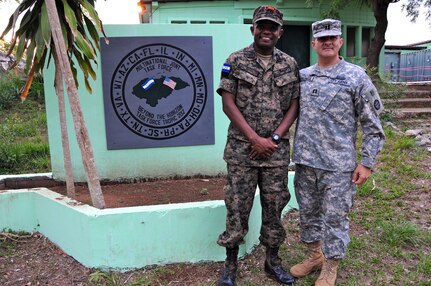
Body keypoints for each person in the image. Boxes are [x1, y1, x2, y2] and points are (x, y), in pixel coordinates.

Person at [290, 19, 385, 286]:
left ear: (341, 41)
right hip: (306, 163)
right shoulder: (304, 77)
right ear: (314, 44)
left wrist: (366, 163)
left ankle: (330, 266)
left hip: (338, 166)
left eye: (333, 37)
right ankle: (314, 256)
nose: (328, 42)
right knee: (308, 214)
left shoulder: (356, 77)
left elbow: (373, 125)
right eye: (322, 38)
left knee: (334, 218)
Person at [216, 5, 299, 286]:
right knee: (237, 206)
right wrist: (254, 138)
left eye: (272, 27)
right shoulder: (235, 61)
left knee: (275, 205)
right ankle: (230, 264)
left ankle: (272, 261)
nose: (266, 31)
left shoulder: (289, 64)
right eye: (261, 25)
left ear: (280, 32)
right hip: (242, 150)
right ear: (253, 28)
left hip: (275, 152)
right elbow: (228, 102)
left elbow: (295, 105)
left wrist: (273, 139)